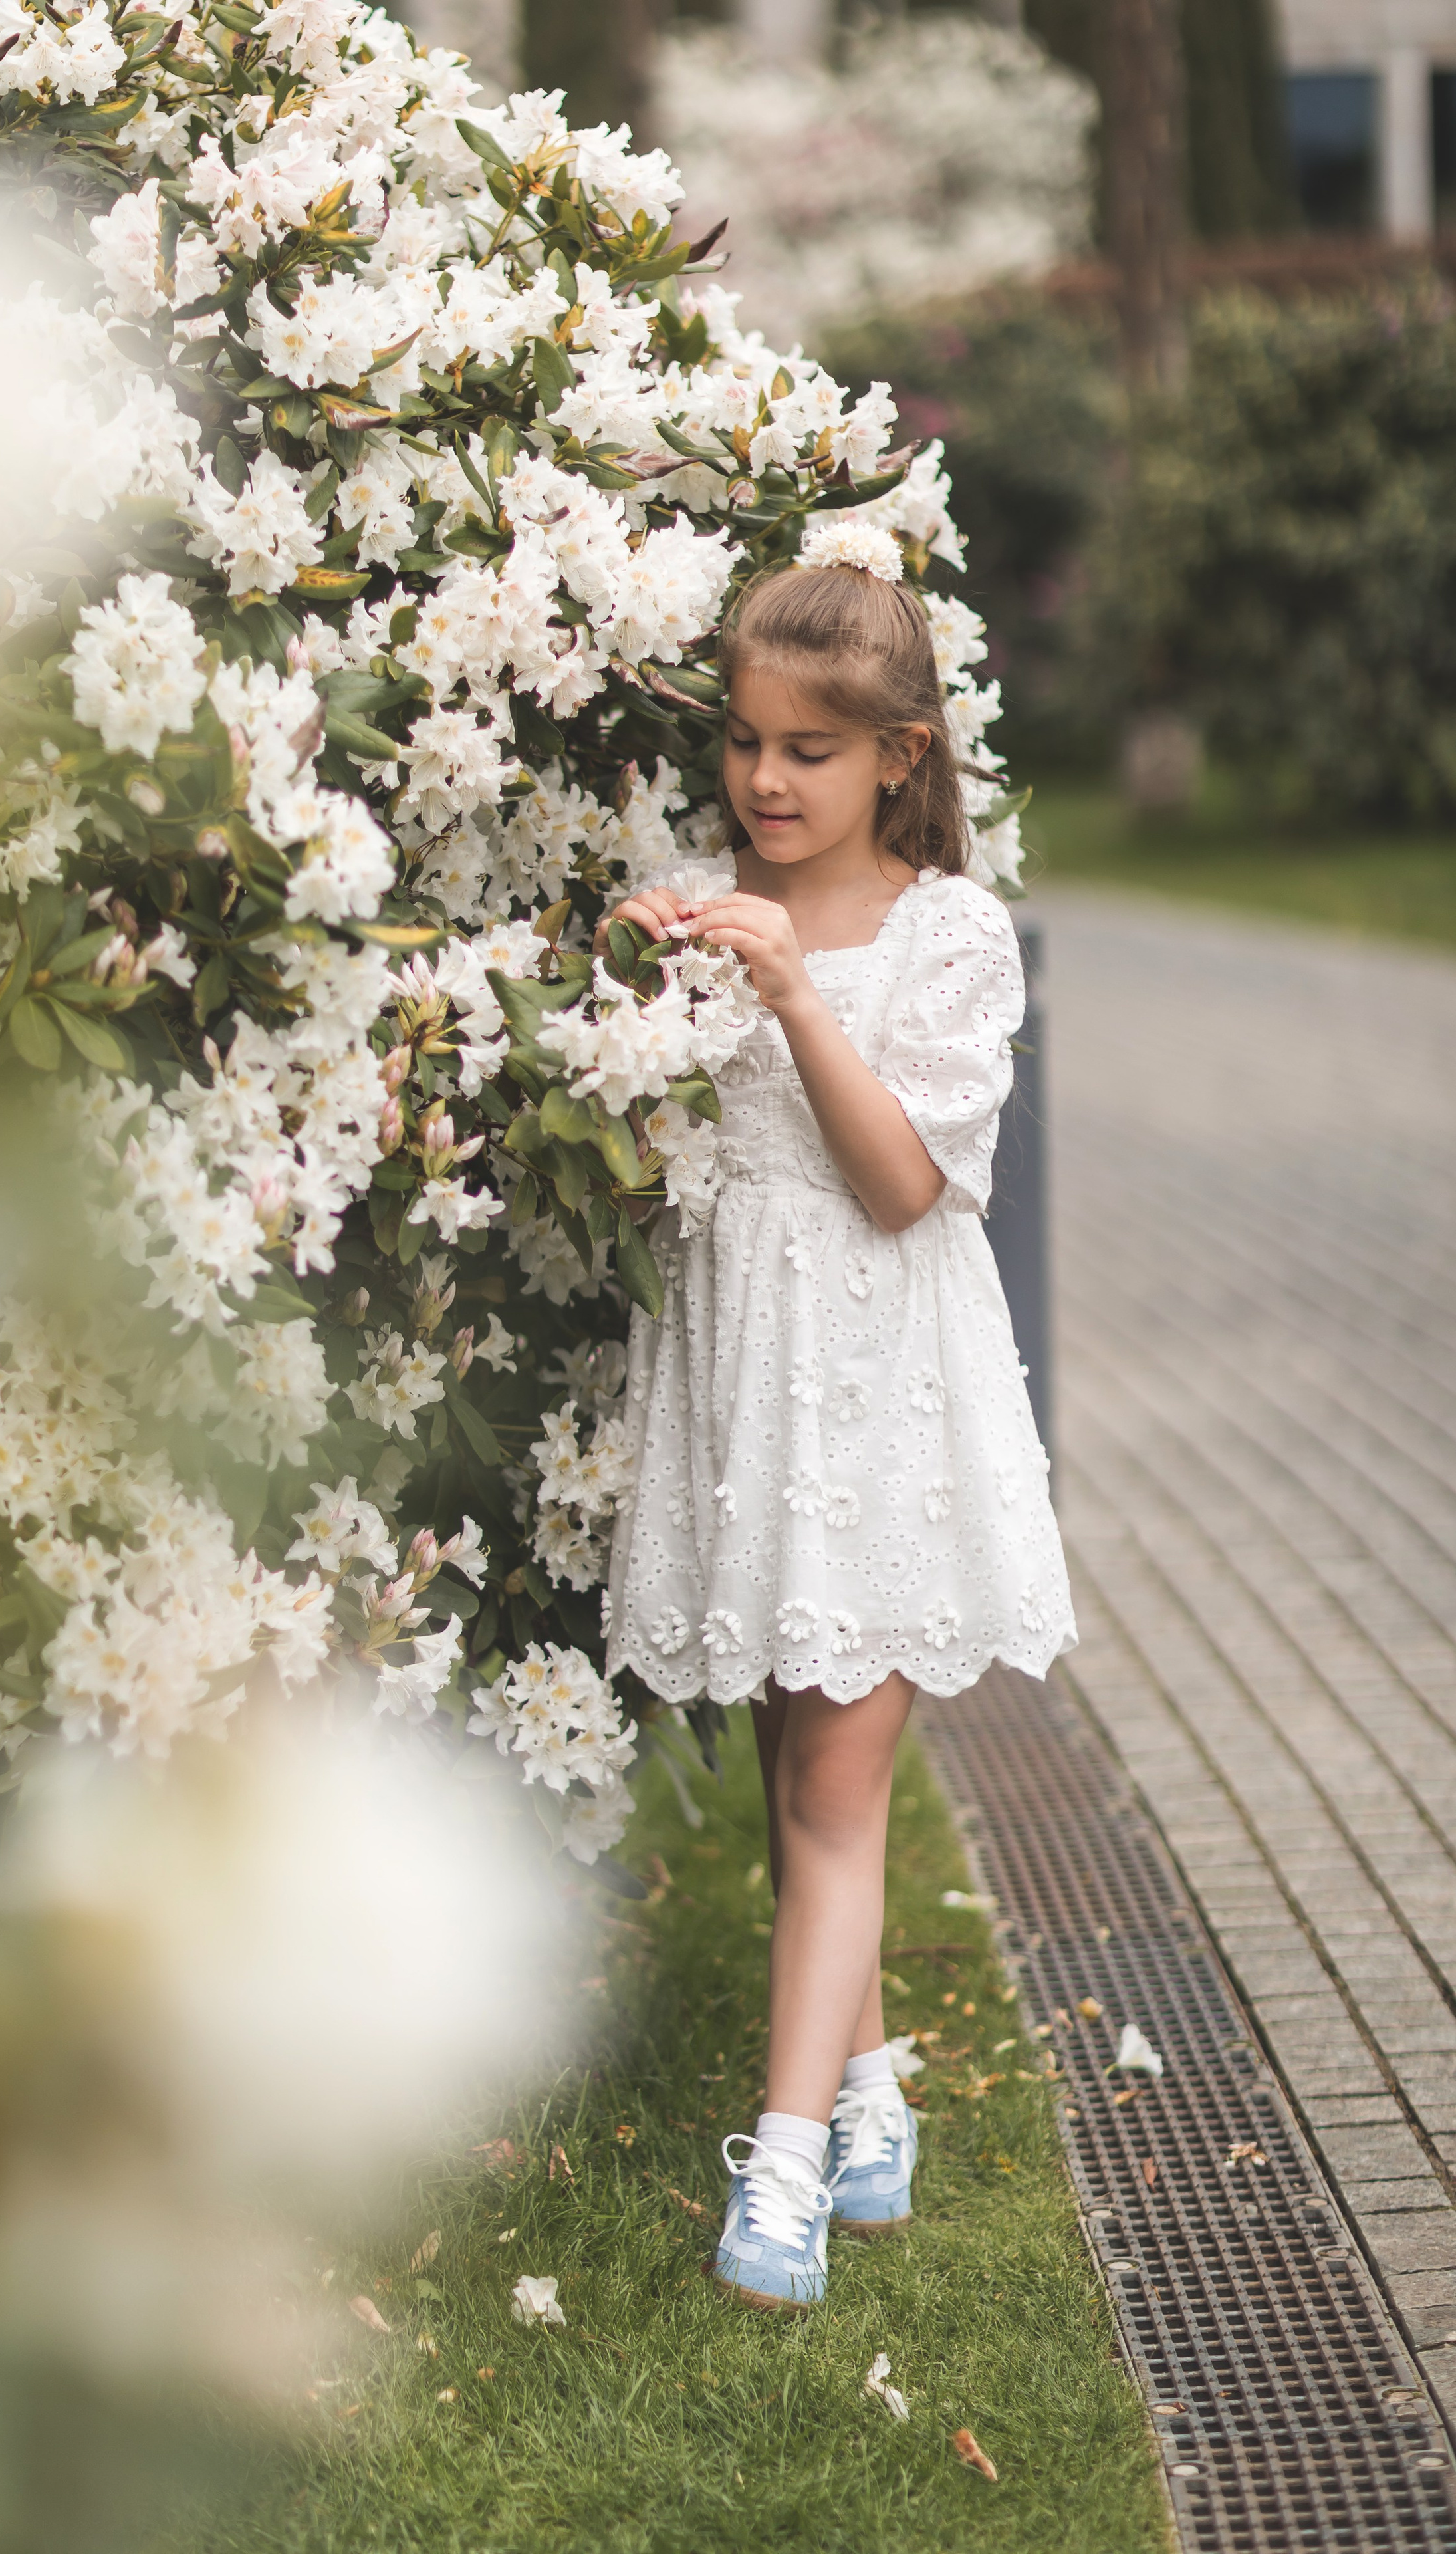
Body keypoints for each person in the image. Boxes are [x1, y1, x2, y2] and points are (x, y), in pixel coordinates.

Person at [599, 552, 1076, 2313]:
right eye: (742, 739)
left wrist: (796, 992)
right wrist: (637, 999)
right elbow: (660, 1169)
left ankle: (785, 2173)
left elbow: (894, 1185)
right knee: (803, 1769)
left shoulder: (943, 936)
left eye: (811, 747)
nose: (765, 780)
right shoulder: (717, 905)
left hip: (889, 1403)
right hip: (756, 1397)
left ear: (900, 754)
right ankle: (873, 2099)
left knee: (833, 1787)